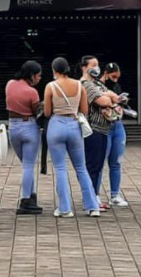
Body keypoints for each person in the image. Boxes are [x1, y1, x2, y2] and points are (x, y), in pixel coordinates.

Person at [43, 57, 101, 218]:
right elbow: (85, 110)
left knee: (60, 168)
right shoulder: (79, 85)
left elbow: (47, 112)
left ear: (54, 70)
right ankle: (92, 207)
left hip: (56, 125)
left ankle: (65, 208)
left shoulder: (50, 86)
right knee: (81, 168)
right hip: (74, 125)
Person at [80, 56, 119, 209]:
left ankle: (95, 196)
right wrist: (107, 97)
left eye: (97, 65)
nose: (96, 68)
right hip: (93, 129)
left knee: (98, 165)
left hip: (104, 129)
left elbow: (115, 98)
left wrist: (107, 96)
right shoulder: (85, 84)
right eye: (93, 65)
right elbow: (104, 101)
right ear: (84, 67)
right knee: (92, 164)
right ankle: (90, 199)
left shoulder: (97, 84)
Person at [6, 60, 44, 215]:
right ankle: (26, 200)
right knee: (28, 165)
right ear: (32, 75)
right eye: (38, 76)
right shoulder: (32, 92)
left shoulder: (10, 84)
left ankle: (31, 195)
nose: (39, 79)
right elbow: (37, 112)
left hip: (13, 127)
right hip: (29, 126)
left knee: (25, 165)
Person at [102, 62, 131, 207]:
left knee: (116, 161)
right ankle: (94, 194)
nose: (115, 80)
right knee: (99, 162)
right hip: (103, 125)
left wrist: (122, 102)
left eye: (117, 77)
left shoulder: (116, 86)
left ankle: (115, 194)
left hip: (117, 123)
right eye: (113, 77)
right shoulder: (98, 87)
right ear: (106, 74)